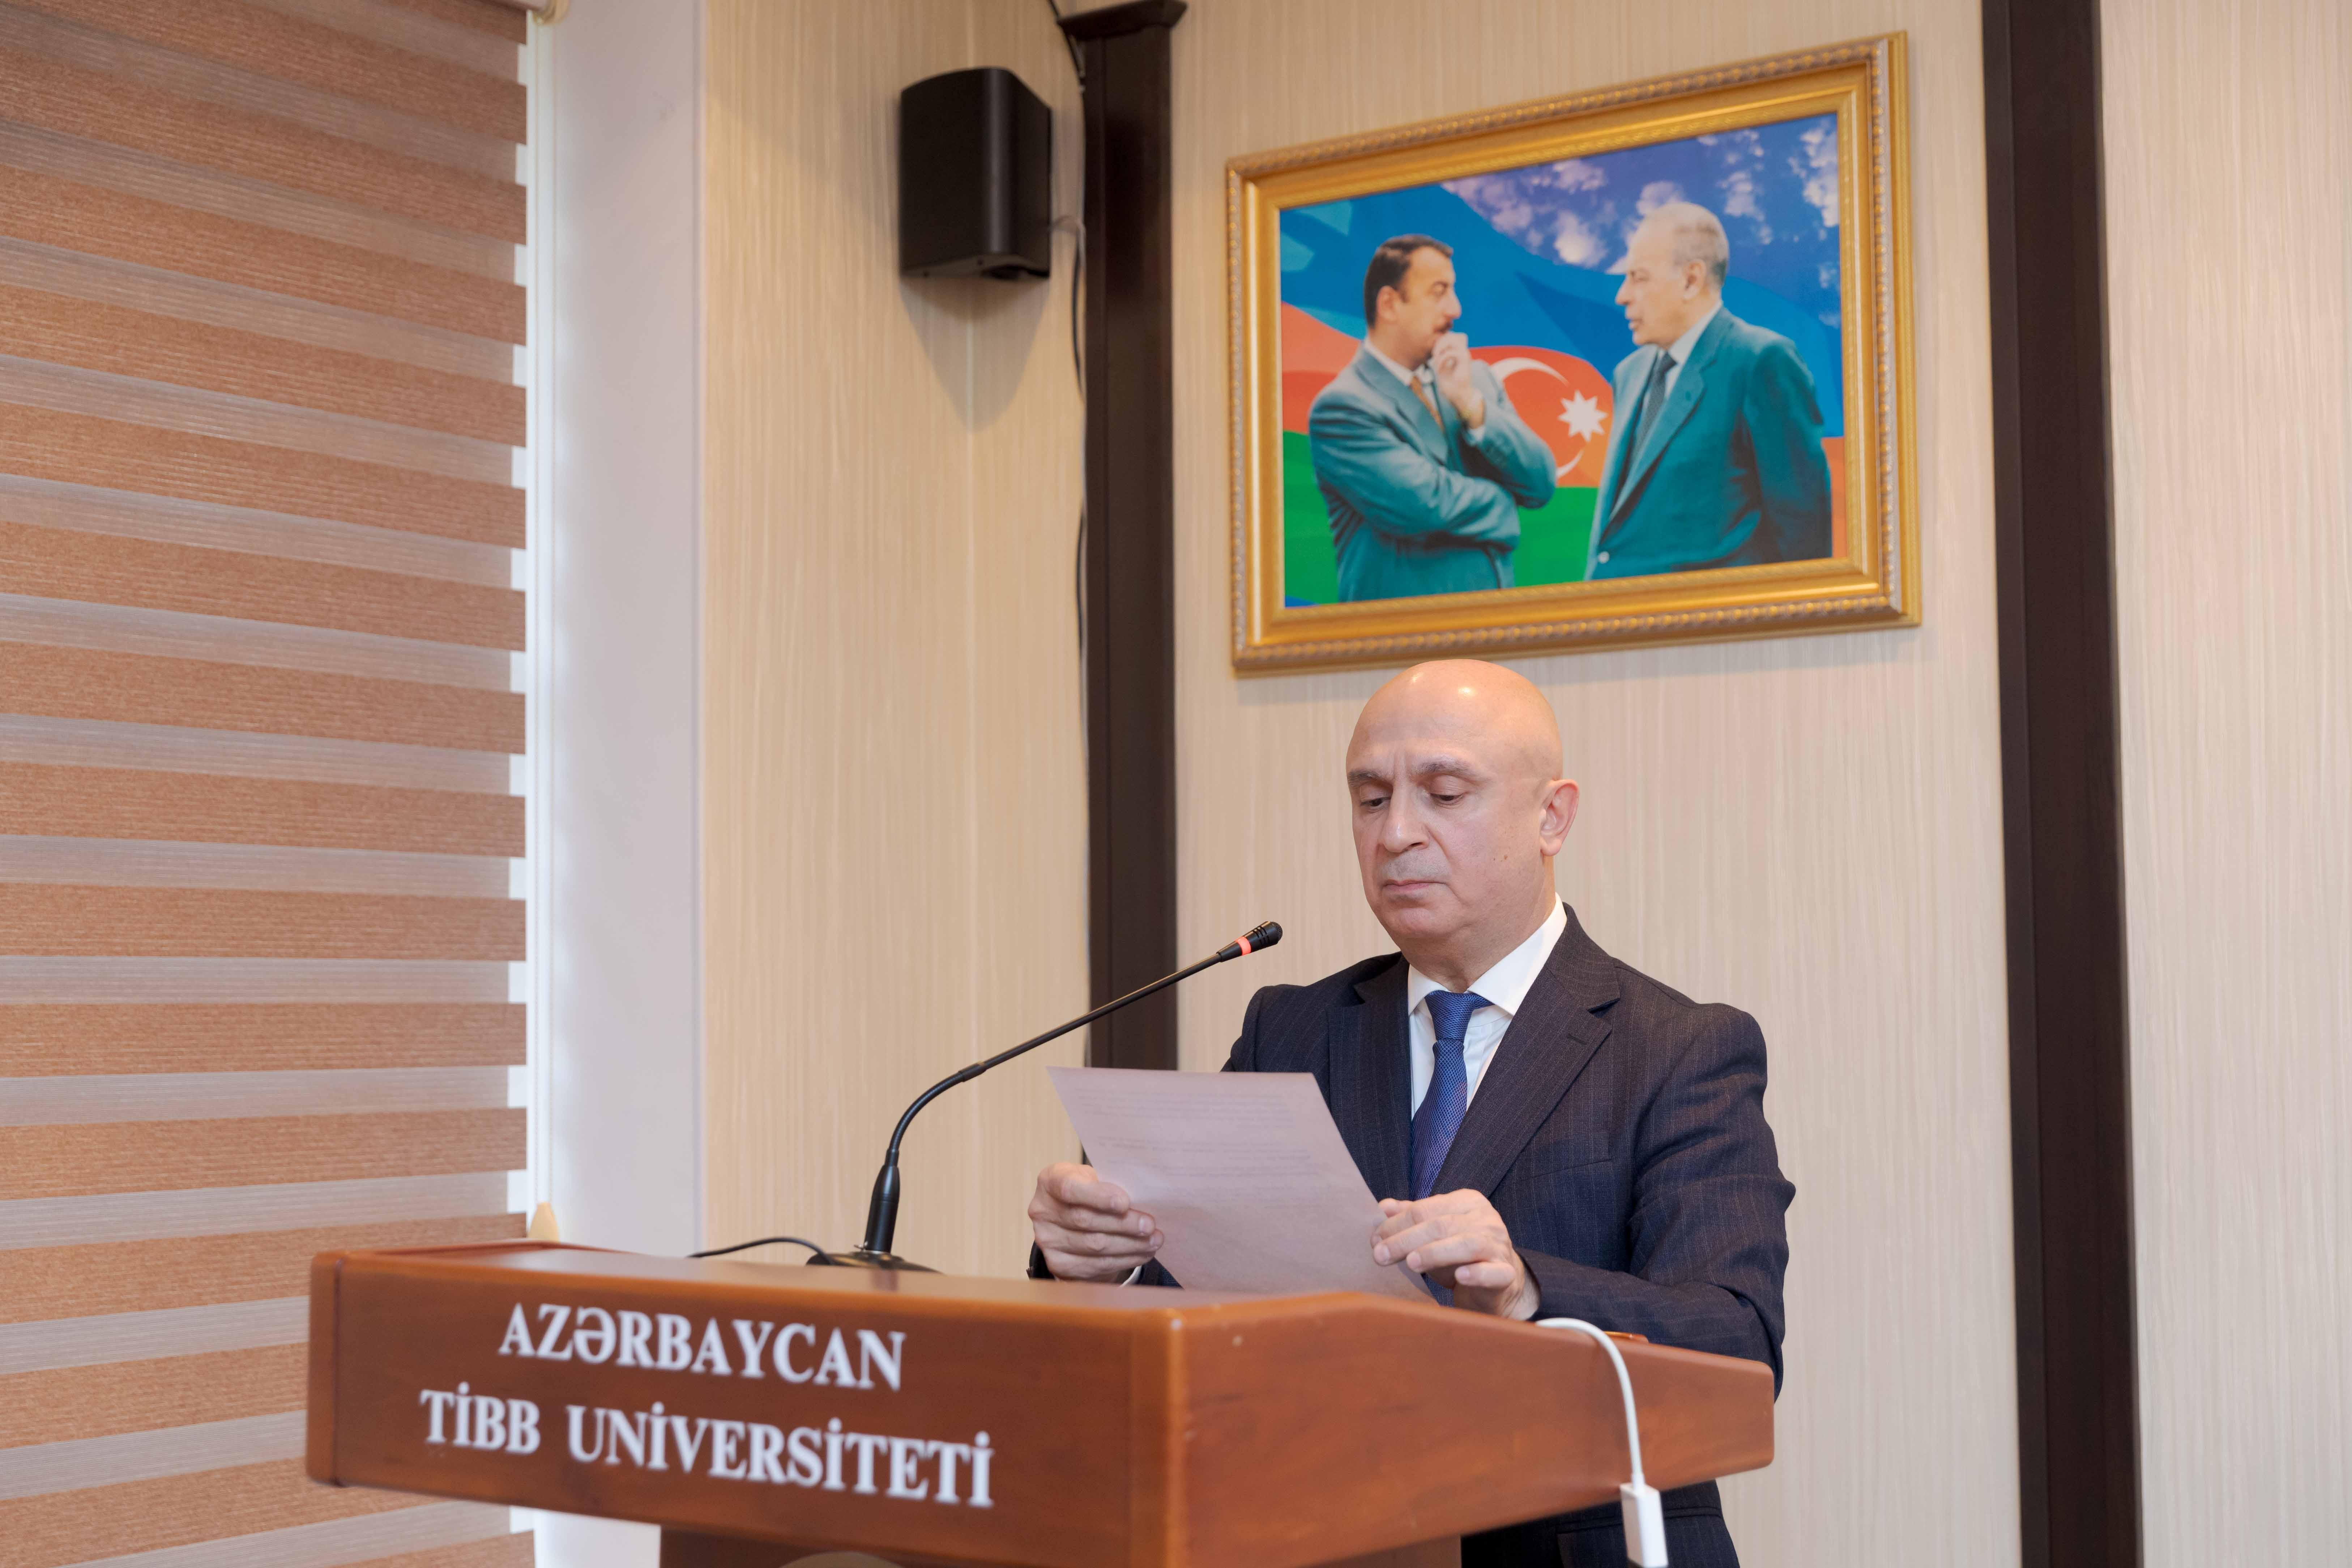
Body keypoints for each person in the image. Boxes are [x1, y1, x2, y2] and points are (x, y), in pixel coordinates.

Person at [1028, 659, 1793, 1568]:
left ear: (1552, 817)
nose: (1395, 833)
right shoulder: (1291, 1028)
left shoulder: (1679, 1047)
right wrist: (1098, 1263)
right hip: (1323, 1534)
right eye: (1369, 798)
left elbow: (1738, 1340)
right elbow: (1207, 1296)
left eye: (1444, 793)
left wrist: (1528, 1290)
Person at [1586, 202, 1832, 579]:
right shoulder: (1629, 373)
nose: (1622, 295)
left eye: (1639, 278)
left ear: (1691, 280)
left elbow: (1803, 535)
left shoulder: (1760, 361)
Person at [1307, 235, 1557, 602]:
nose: (1455, 309)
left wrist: (1470, 405)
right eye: (1439, 292)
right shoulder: (1342, 408)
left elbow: (1540, 483)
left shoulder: (1475, 380)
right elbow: (1425, 505)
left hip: (1496, 626)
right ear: (1390, 304)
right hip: (1406, 635)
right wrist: (1505, 504)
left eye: (1453, 291)